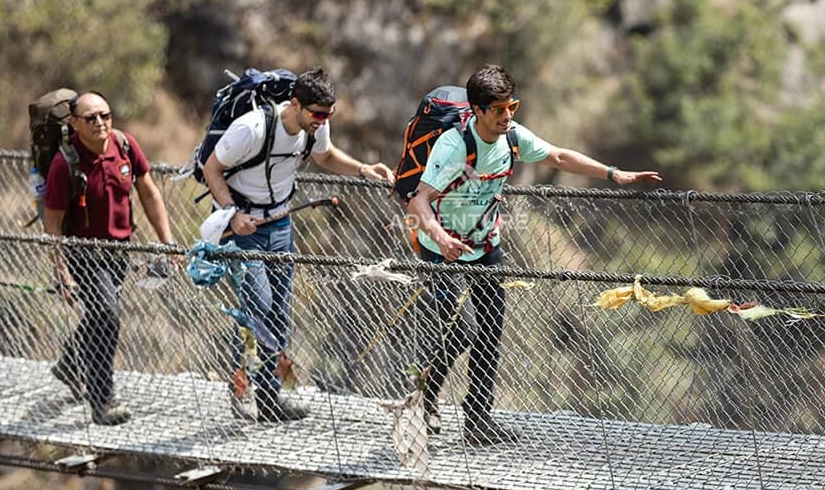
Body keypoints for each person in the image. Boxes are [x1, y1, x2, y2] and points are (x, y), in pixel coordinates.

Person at [407, 64, 661, 444]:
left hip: (485, 246)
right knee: (462, 331)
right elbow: (418, 202)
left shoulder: (512, 138)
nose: (507, 116)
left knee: (490, 329)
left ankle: (478, 419)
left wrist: (614, 174)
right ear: (477, 110)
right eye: (498, 110)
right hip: (442, 250)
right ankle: (427, 393)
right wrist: (440, 237)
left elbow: (558, 157)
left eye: (512, 107)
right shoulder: (455, 145)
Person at [202, 67, 394, 422]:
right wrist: (231, 214)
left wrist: (364, 169)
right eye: (317, 114)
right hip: (242, 226)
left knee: (279, 311)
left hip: (280, 224)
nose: (322, 121)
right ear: (295, 104)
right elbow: (210, 167)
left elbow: (325, 156)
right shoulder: (252, 128)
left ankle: (273, 398)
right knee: (255, 305)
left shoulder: (314, 128)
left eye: (329, 114)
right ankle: (240, 389)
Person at [43, 91, 177, 426]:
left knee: (100, 315)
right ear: (74, 123)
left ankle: (70, 364)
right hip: (84, 253)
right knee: (107, 315)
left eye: (105, 115)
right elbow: (53, 224)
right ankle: (103, 399)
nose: (100, 123)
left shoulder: (125, 145)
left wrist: (168, 242)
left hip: (119, 250)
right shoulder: (65, 163)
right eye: (90, 118)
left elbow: (148, 192)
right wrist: (62, 273)